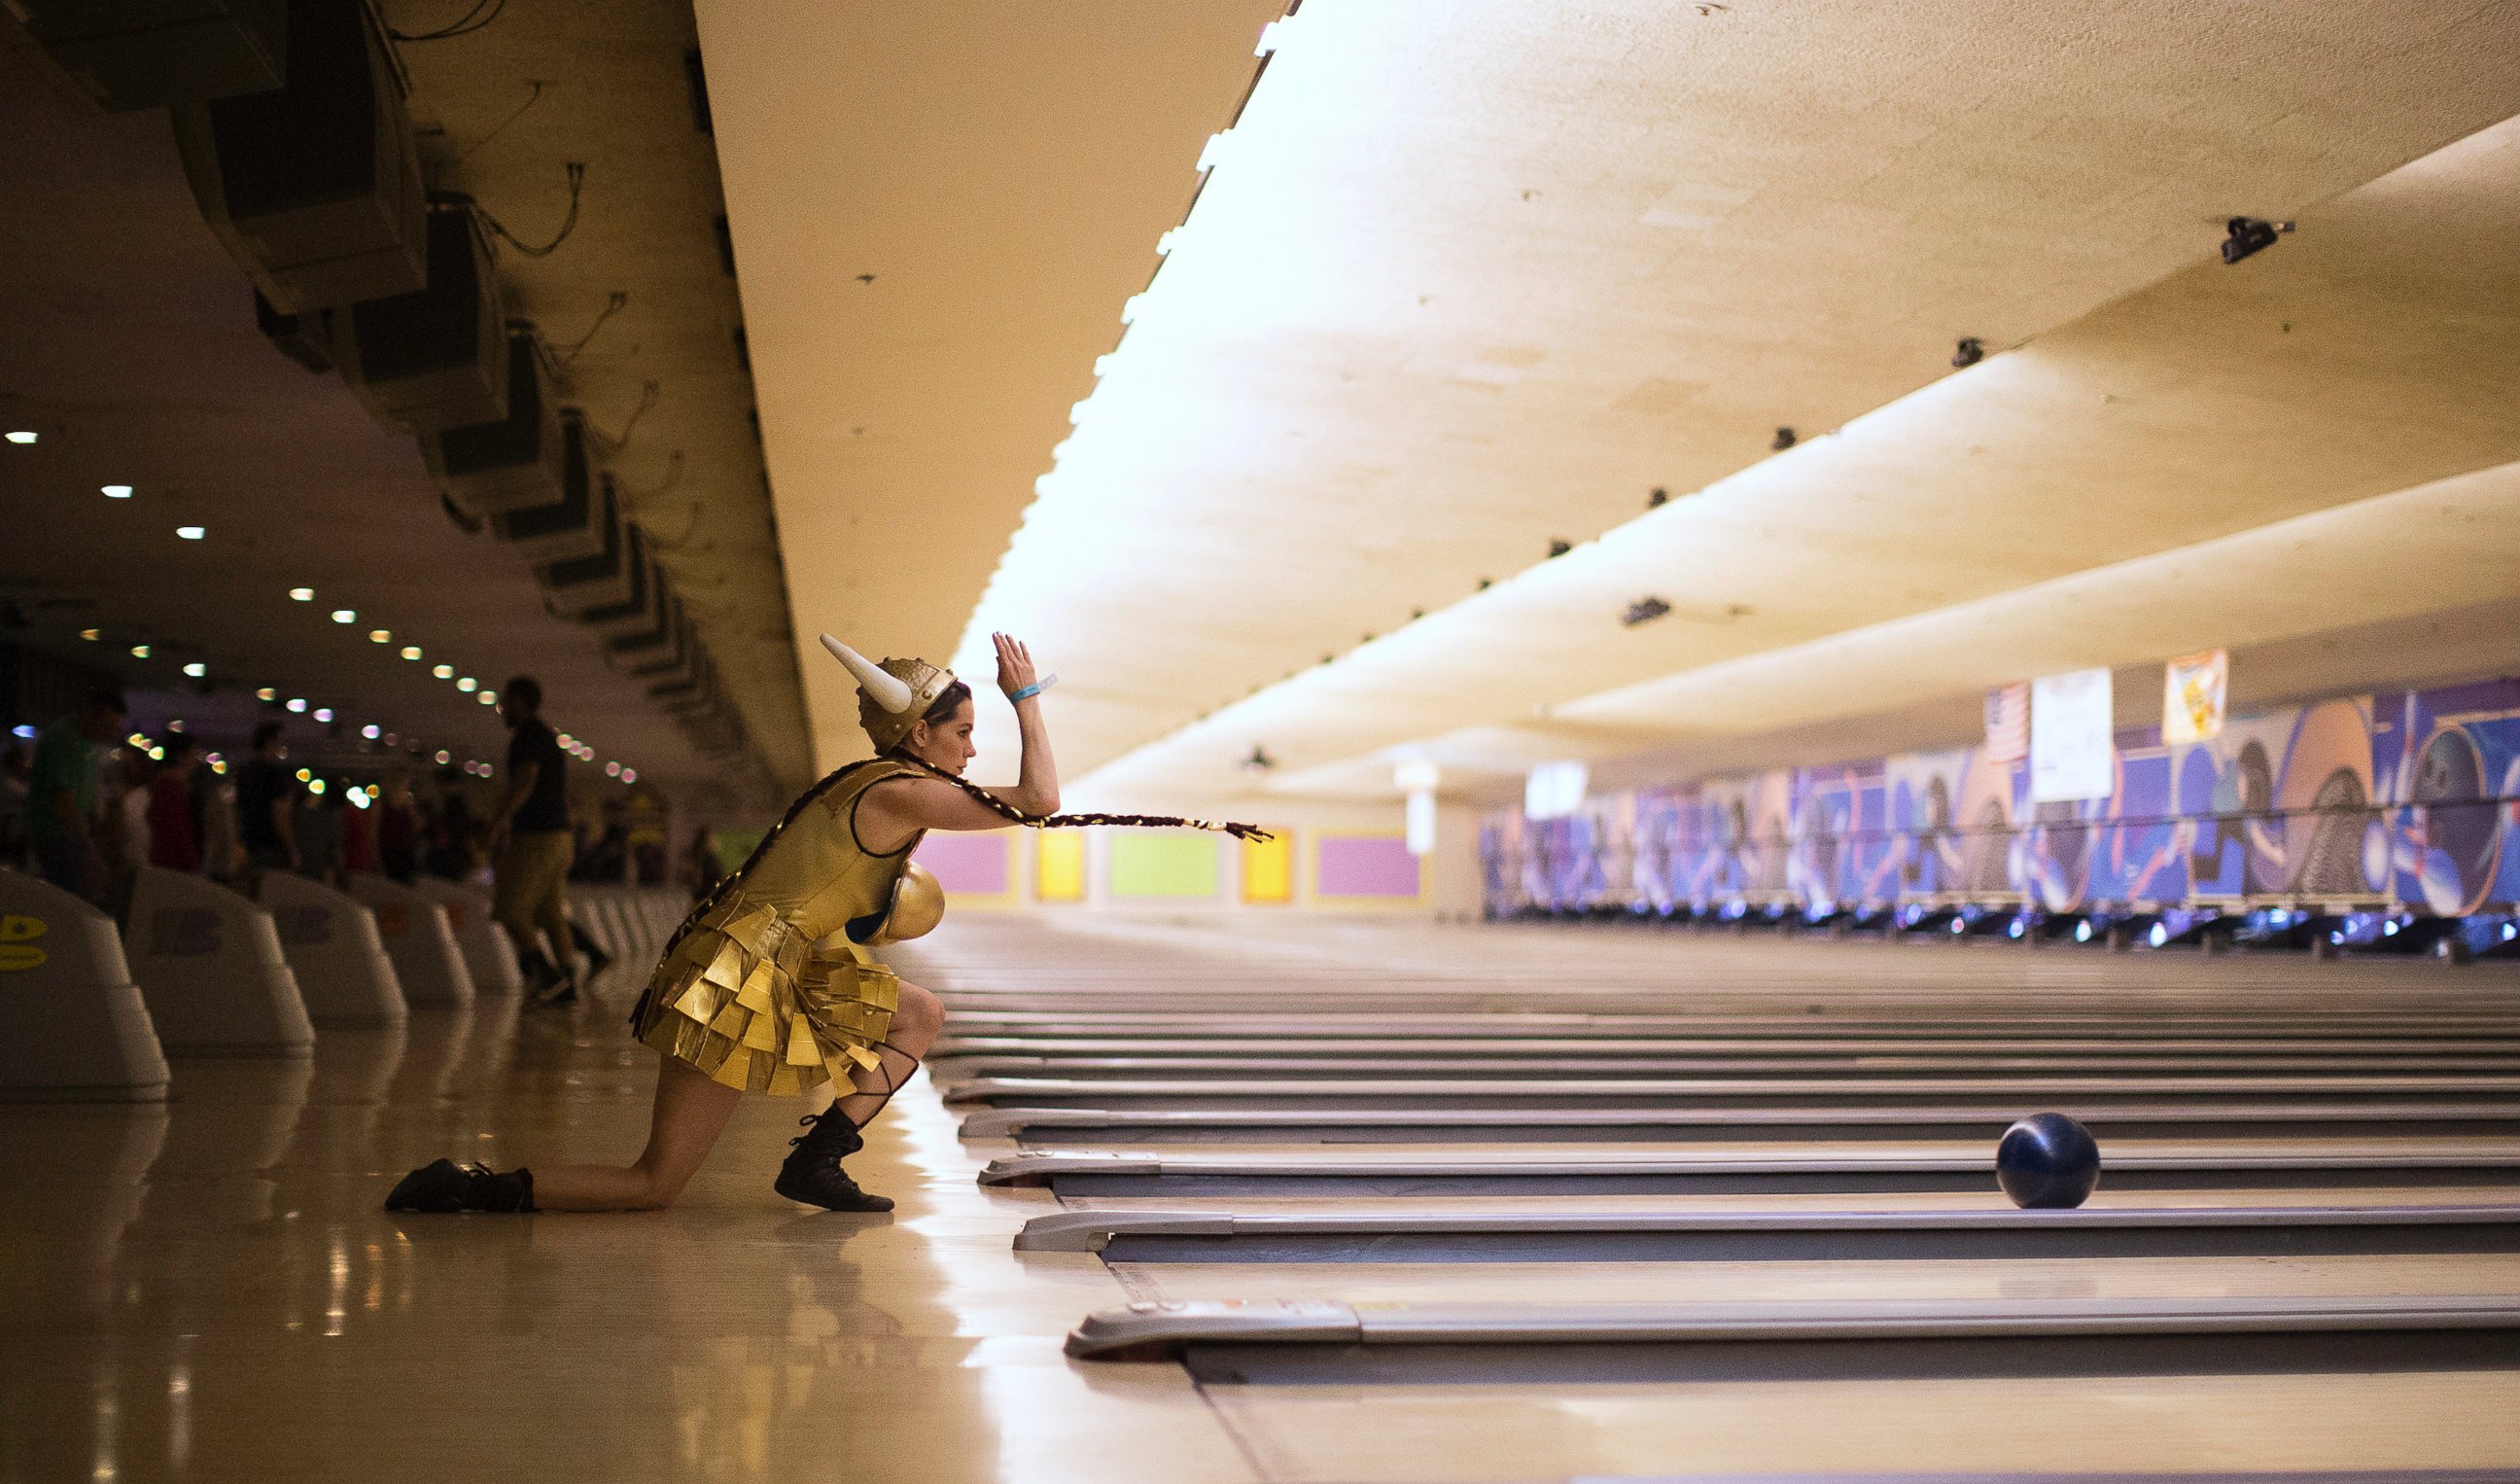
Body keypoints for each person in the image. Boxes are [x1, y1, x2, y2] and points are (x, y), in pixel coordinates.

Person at [386, 633, 1266, 1216]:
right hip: (738, 968)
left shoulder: (882, 785)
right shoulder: (897, 789)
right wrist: (1026, 697)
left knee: (918, 1015)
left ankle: (815, 1160)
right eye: (960, 731)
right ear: (918, 736)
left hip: (788, 958)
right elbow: (1041, 802)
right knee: (655, 1184)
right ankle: (474, 1187)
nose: (971, 747)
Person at [489, 676, 578, 1005]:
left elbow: (525, 780)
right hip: (560, 837)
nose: (502, 707)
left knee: (510, 910)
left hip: (537, 836)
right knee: (550, 911)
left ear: (522, 702)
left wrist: (499, 821)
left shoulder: (527, 735)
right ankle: (568, 982)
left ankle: (549, 977)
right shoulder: (547, 736)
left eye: (507, 701)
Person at [25, 689, 126, 905]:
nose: (110, 734)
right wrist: (88, 847)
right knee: (72, 900)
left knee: (80, 894)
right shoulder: (63, 738)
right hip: (54, 834)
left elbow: (84, 798)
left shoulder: (88, 742)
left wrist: (98, 834)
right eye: (108, 727)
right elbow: (64, 797)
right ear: (90, 714)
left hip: (68, 835)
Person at [233, 723, 299, 892]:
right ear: (270, 742)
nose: (281, 748)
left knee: (255, 891)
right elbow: (279, 814)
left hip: (252, 844)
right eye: (280, 743)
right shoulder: (274, 774)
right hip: (272, 847)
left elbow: (238, 811)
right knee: (274, 895)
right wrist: (292, 849)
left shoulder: (244, 773)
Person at [147, 732, 202, 871]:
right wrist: (192, 864)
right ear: (180, 756)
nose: (196, 759)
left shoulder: (161, 785)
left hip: (163, 861)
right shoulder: (172, 788)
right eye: (193, 752)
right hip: (174, 864)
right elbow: (178, 831)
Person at [377, 768, 422, 883]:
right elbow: (373, 835)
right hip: (388, 855)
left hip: (405, 855)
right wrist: (377, 861)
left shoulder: (407, 805)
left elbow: (415, 827)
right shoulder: (381, 804)